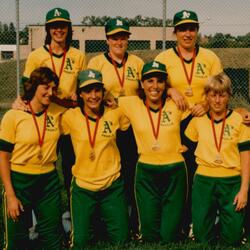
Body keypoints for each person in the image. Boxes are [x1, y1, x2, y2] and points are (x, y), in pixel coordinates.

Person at [155, 9, 224, 236]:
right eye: (182, 29)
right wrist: (170, 89)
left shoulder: (210, 57)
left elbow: (219, 87)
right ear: (175, 32)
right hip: (173, 123)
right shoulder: (163, 58)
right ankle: (178, 220)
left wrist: (205, 103)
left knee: (200, 171)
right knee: (176, 173)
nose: (187, 33)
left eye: (192, 28)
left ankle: (200, 220)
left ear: (197, 31)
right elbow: (150, 86)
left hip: (203, 121)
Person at [21, 7, 86, 209]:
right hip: (44, 119)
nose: (59, 30)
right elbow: (27, 87)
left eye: (63, 26)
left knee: (72, 168)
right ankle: (35, 216)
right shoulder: (36, 56)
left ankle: (73, 214)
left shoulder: (78, 55)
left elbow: (82, 87)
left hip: (68, 120)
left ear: (69, 29)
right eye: (55, 26)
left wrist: (77, 93)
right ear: (48, 30)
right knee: (41, 167)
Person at [119, 61, 187, 243]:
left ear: (166, 84)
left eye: (159, 81)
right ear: (142, 83)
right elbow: (101, 100)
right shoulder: (131, 104)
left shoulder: (176, 104)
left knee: (169, 237)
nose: (154, 86)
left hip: (174, 169)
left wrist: (240, 110)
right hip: (146, 170)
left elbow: (208, 109)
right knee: (149, 236)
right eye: (149, 81)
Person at [61, 69, 130, 249]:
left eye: (97, 90)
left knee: (121, 241)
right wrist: (23, 102)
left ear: (103, 91)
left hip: (111, 184)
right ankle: (71, 221)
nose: (93, 95)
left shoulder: (115, 113)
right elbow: (45, 114)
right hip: (83, 187)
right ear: (80, 94)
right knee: (80, 242)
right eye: (88, 91)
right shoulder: (70, 117)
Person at [87, 17, 144, 237]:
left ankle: (132, 220)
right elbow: (89, 92)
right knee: (108, 172)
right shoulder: (96, 63)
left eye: (123, 37)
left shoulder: (137, 63)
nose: (119, 42)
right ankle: (101, 221)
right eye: (114, 37)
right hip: (107, 126)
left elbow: (145, 91)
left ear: (128, 39)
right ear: (107, 39)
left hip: (132, 127)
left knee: (131, 173)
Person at [0, 67, 63, 249]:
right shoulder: (14, 115)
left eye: (53, 88)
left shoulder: (56, 112)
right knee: (16, 243)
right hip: (20, 181)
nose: (50, 93)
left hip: (48, 181)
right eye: (45, 87)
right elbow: (3, 157)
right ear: (34, 86)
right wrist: (11, 195)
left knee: (53, 242)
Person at [185, 72, 250, 246]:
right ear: (206, 96)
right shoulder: (197, 121)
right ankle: (199, 224)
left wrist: (244, 190)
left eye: (222, 95)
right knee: (202, 238)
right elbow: (185, 146)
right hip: (204, 181)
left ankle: (233, 225)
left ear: (229, 95)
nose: (217, 100)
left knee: (233, 239)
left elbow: (246, 157)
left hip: (231, 180)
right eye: (213, 95)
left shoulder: (239, 121)